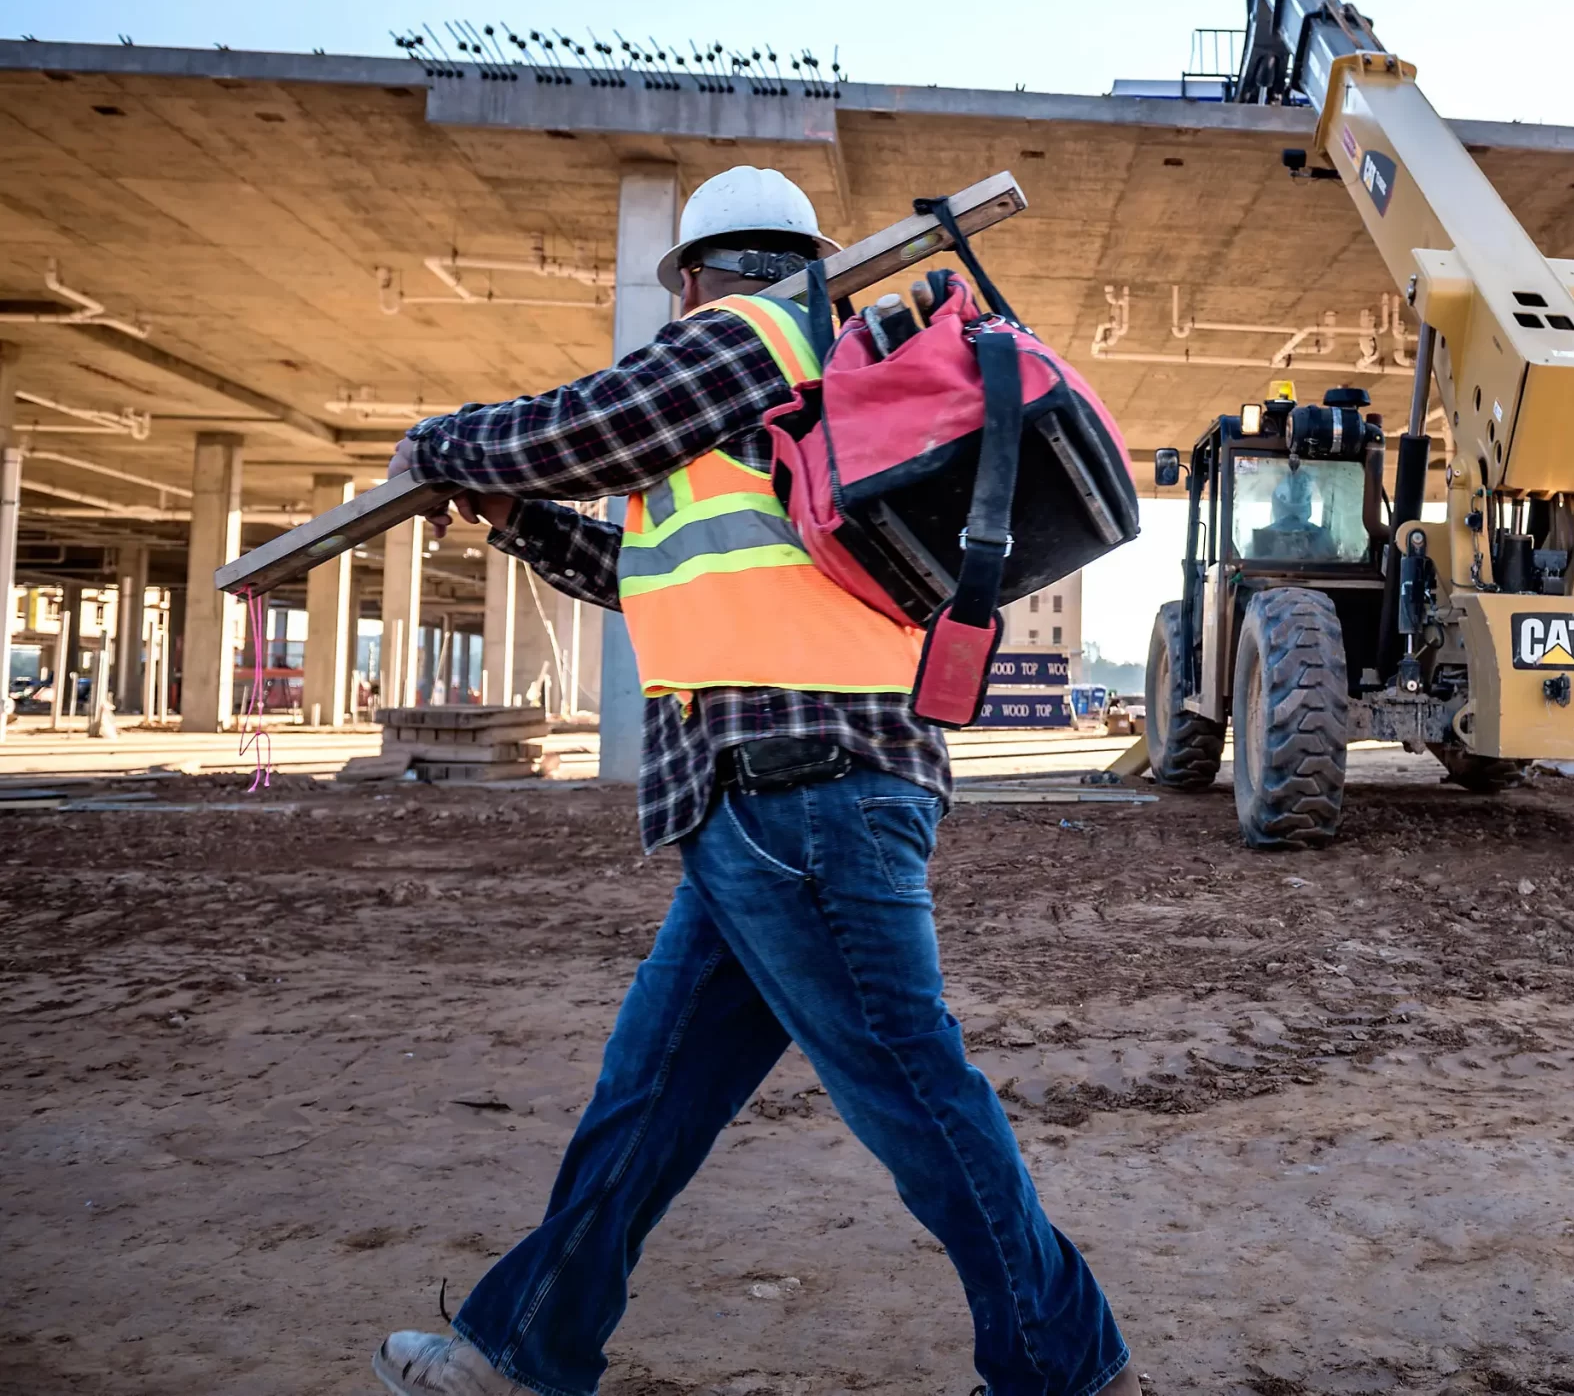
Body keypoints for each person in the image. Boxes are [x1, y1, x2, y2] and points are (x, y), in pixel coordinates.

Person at [368, 167, 1136, 1396]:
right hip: (763, 796)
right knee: (647, 1100)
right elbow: (646, 573)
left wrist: (443, 443)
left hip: (803, 792)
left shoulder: (759, 332)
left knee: (916, 1098)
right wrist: (516, 516)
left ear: (687, 276)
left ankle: (1066, 1366)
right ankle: (524, 1349)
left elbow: (582, 429)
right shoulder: (787, 390)